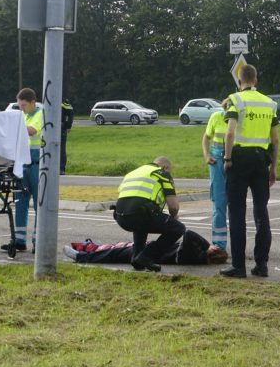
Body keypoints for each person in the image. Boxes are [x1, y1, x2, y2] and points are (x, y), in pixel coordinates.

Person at [221, 64, 279, 279]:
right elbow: (275, 140)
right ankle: (262, 264)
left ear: (239, 80)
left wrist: (227, 158)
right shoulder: (269, 104)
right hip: (261, 161)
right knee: (261, 212)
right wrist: (273, 167)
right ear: (256, 80)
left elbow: (229, 133)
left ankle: (238, 266)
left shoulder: (235, 100)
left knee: (236, 214)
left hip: (239, 159)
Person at [114, 157, 186, 272]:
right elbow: (174, 206)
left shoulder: (133, 173)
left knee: (141, 219)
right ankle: (146, 256)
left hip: (120, 217)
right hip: (140, 214)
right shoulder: (162, 173)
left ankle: (136, 259)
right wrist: (173, 218)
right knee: (178, 228)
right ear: (165, 167)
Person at [3, 87, 43, 253]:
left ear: (33, 102)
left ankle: (38, 242)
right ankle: (19, 240)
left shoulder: (41, 114)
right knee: (20, 203)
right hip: (22, 164)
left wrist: (15, 127)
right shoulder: (25, 114)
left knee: (39, 204)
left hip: (37, 164)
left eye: (24, 105)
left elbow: (32, 130)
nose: (21, 108)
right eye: (19, 106)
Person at [63, 230, 228, 265]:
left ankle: (80, 257)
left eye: (215, 247)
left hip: (151, 255)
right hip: (152, 251)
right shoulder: (197, 257)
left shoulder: (195, 255)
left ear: (214, 251)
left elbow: (188, 234)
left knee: (116, 253)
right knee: (116, 248)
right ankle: (87, 249)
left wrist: (206, 245)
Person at [201, 99, 230, 251]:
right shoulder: (216, 117)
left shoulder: (241, 119)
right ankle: (219, 245)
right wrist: (206, 155)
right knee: (219, 205)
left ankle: (237, 245)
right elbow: (206, 137)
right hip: (217, 161)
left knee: (235, 205)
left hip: (234, 162)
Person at [60, 98, 74, 175]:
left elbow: (70, 113)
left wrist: (68, 126)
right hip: (50, 129)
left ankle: (61, 169)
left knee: (61, 149)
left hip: (61, 128)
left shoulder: (63, 102)